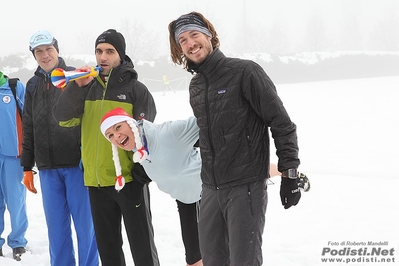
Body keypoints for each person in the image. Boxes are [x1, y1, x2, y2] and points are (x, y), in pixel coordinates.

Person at [168, 12, 302, 265]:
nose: (190, 43)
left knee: (244, 260)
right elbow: (208, 133)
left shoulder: (245, 72)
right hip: (209, 188)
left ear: (209, 35)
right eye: (182, 40)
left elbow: (282, 123)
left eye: (194, 34)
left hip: (245, 186)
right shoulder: (196, 86)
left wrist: (290, 173)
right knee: (212, 260)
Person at [99, 108, 310, 266]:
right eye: (110, 135)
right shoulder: (140, 151)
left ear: (131, 123)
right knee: (193, 258)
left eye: (118, 127)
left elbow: (206, 117)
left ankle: (287, 173)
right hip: (185, 199)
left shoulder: (167, 133)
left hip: (209, 189)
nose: (116, 136)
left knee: (217, 253)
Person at [53, 29, 160, 266]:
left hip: (130, 181)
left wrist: (140, 174)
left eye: (110, 51)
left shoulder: (136, 89)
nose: (103, 56)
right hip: (97, 183)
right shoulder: (86, 87)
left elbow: (148, 136)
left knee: (142, 248)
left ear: (120, 55)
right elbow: (62, 118)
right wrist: (77, 87)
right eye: (99, 51)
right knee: (109, 252)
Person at [21, 30, 98, 266]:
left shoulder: (76, 76)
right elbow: (29, 126)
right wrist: (27, 166)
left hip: (77, 165)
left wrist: (89, 155)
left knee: (86, 228)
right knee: (56, 230)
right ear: (34, 56)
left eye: (48, 49)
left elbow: (92, 118)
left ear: (57, 49)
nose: (45, 55)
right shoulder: (32, 85)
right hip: (47, 168)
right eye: (39, 52)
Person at [0, 71, 28, 261]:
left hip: (13, 156)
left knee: (16, 202)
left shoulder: (13, 87)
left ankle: (18, 242)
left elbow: (29, 118)